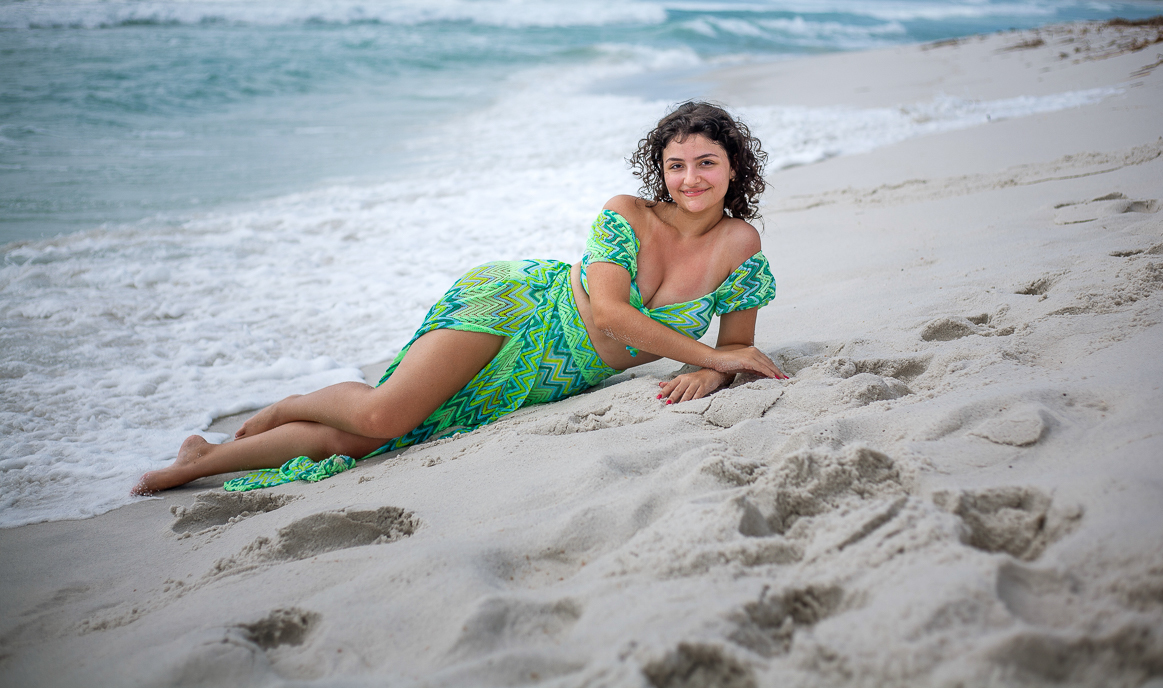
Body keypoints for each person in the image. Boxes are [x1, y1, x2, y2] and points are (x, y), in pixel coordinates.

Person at [133, 102, 783, 494]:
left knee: (370, 442)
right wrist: (713, 359)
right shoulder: (626, 215)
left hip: (553, 374)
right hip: (515, 304)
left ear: (733, 167)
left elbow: (735, 348)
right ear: (659, 171)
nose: (690, 178)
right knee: (386, 415)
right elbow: (614, 313)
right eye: (677, 165)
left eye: (705, 163)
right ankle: (291, 404)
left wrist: (710, 364)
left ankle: (207, 457)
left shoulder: (740, 245)